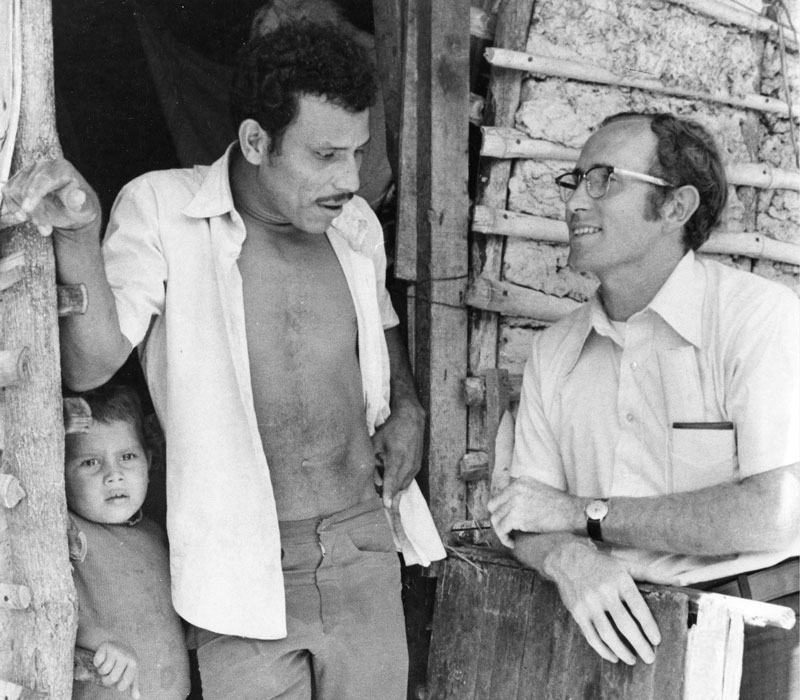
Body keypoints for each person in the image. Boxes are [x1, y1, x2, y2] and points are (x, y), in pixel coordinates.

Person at [2, 20, 427, 700]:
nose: (350, 178)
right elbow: (90, 365)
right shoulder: (163, 210)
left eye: (358, 152)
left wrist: (406, 405)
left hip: (362, 546)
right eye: (325, 155)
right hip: (238, 561)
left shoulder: (355, 229)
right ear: (257, 141)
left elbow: (380, 323)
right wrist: (80, 233)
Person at [487, 112, 800, 698]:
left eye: (604, 179)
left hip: (756, 628)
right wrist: (567, 559)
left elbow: (773, 513)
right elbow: (527, 512)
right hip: (605, 624)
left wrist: (584, 516)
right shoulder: (555, 352)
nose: (577, 199)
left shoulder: (759, 320)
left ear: (676, 207)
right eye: (575, 180)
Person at [65, 384, 189, 700]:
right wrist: (95, 640)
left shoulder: (157, 533)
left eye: (128, 456)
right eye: (91, 462)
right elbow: (45, 613)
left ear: (149, 462)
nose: (114, 475)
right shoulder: (66, 531)